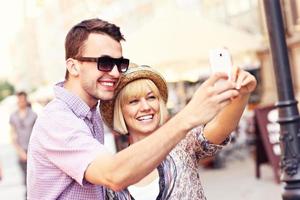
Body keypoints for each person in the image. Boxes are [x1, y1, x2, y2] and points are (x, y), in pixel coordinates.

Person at [27, 18, 241, 199]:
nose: (114, 73)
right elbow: (114, 175)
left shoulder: (89, 115)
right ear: (73, 66)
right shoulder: (58, 119)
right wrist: (188, 116)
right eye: (104, 62)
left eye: (119, 64)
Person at [100, 64, 257, 199]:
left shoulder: (182, 145)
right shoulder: (115, 170)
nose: (146, 107)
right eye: (133, 101)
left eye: (151, 98)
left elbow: (220, 128)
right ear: (120, 112)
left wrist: (242, 94)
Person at [9, 91, 37, 191]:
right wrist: (19, 151)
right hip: (21, 152)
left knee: (35, 178)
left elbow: (37, 134)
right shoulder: (13, 116)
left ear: (26, 100)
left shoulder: (33, 115)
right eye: (19, 100)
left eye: (23, 100)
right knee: (26, 180)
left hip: (33, 151)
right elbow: (12, 135)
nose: (21, 102)